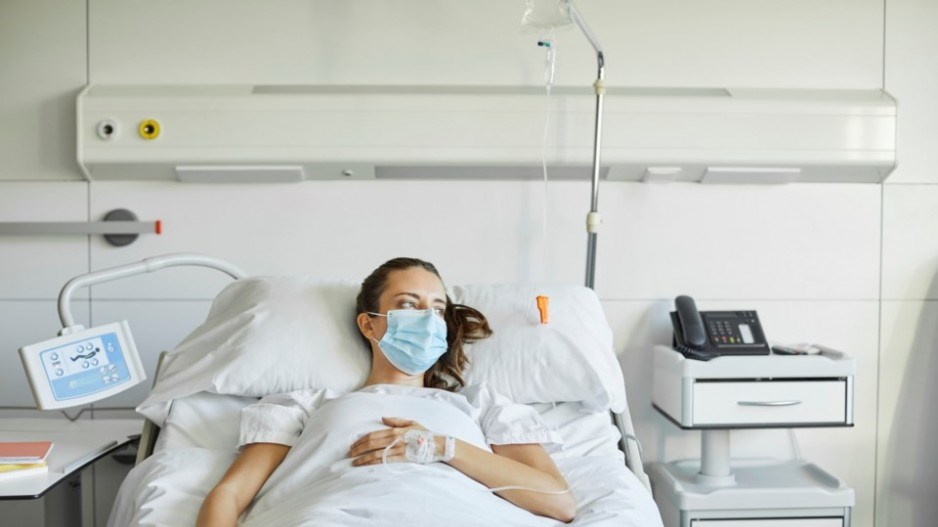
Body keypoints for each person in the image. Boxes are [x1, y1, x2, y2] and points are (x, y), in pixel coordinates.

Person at [196, 257, 576, 526]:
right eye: (409, 305)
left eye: (438, 309)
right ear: (369, 325)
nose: (428, 318)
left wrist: (442, 447)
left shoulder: (479, 405)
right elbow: (229, 496)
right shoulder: (306, 405)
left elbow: (559, 503)